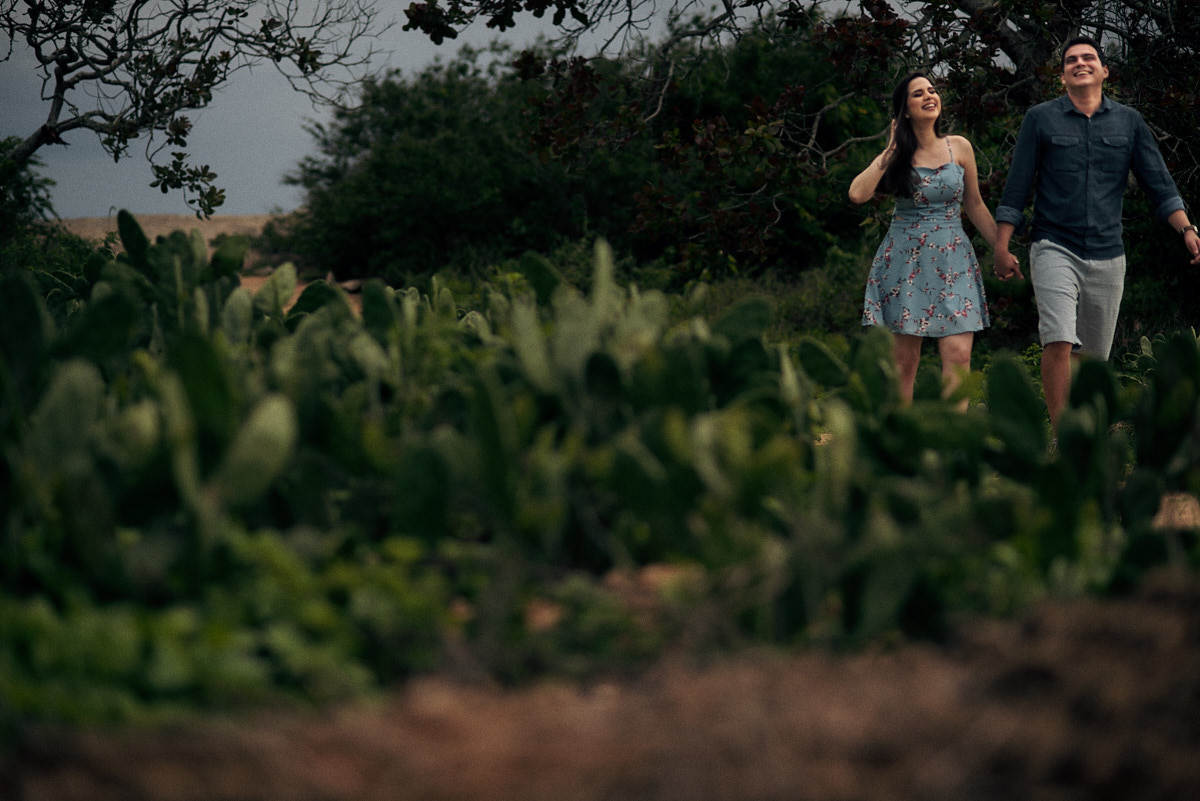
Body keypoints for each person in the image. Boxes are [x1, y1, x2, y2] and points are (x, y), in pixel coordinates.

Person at [994, 35, 1200, 428]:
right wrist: (1002, 247)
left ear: (1105, 71)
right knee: (1058, 337)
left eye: (1089, 57)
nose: (1080, 63)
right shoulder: (1040, 119)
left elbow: (1159, 184)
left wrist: (1187, 229)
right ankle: (1060, 432)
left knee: (1091, 357)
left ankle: (1085, 428)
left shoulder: (1129, 122)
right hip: (1054, 244)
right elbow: (1017, 187)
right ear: (1063, 77)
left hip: (1108, 252)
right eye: (1071, 60)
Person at [849, 72, 1013, 406]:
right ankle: (902, 441)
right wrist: (890, 150)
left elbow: (975, 204)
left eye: (933, 90)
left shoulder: (960, 147)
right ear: (905, 110)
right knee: (904, 362)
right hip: (904, 261)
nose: (929, 96)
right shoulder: (896, 155)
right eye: (918, 93)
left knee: (958, 354)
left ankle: (952, 445)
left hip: (953, 260)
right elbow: (857, 194)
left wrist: (1001, 248)